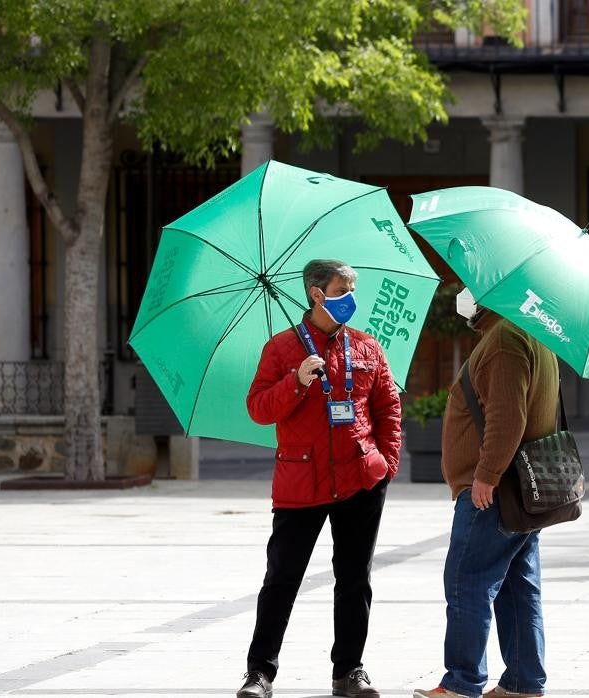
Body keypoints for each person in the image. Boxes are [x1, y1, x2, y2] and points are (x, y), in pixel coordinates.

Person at [239, 259, 401, 698]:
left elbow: (388, 408)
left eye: (352, 290)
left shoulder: (367, 347)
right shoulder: (281, 349)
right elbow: (258, 409)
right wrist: (296, 380)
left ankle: (349, 670)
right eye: (342, 290)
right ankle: (260, 673)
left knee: (355, 579)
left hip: (360, 481)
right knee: (282, 578)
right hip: (300, 481)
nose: (351, 298)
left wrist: (385, 463)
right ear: (316, 294)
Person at [415, 288, 557, 698]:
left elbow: (506, 414)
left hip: (496, 491)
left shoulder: (504, 340)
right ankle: (523, 682)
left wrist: (487, 473)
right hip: (521, 489)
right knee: (517, 586)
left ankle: (462, 682)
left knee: (466, 580)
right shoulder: (528, 334)